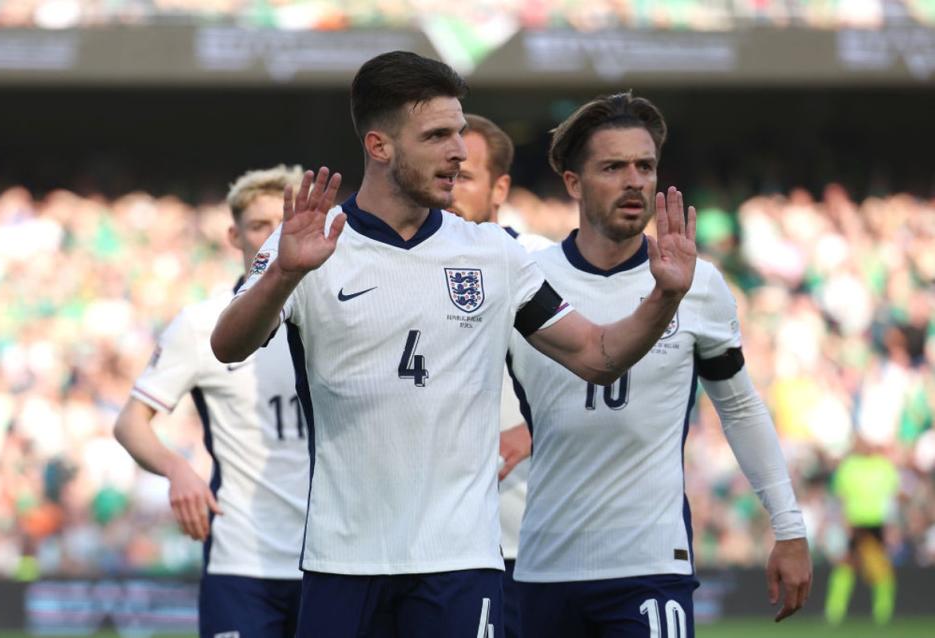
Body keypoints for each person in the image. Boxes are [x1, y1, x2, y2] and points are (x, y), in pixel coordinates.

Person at [210, 51, 697, 638]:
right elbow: (228, 345)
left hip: (461, 565)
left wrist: (663, 297)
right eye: (438, 135)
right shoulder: (311, 243)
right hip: (343, 560)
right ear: (380, 146)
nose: (459, 151)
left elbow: (595, 355)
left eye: (460, 132)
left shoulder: (494, 253)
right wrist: (284, 275)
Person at [501, 92, 813, 638]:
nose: (634, 181)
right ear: (574, 184)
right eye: (613, 167)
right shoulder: (525, 280)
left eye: (645, 166)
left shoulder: (700, 284)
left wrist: (788, 526)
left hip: (650, 567)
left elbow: (738, 407)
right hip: (542, 565)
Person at [113, 166, 310, 638]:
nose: (272, 236)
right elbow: (130, 423)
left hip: (330, 556)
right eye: (259, 226)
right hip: (240, 557)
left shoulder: (334, 315)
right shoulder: (202, 325)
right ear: (233, 234)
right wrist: (178, 469)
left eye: (282, 222)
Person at [451, 112, 551, 638]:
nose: (450, 189)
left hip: (530, 539)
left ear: (500, 187)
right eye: (445, 173)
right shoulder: (403, 263)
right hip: (442, 544)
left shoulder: (540, 263)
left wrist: (534, 428)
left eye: (465, 176)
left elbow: (612, 373)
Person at [825, 435, 899, 626]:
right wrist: (844, 522)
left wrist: (891, 526)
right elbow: (841, 497)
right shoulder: (849, 466)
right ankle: (835, 610)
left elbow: (891, 499)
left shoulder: (884, 466)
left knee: (881, 568)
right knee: (846, 565)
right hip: (855, 522)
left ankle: (883, 611)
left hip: (877, 523)